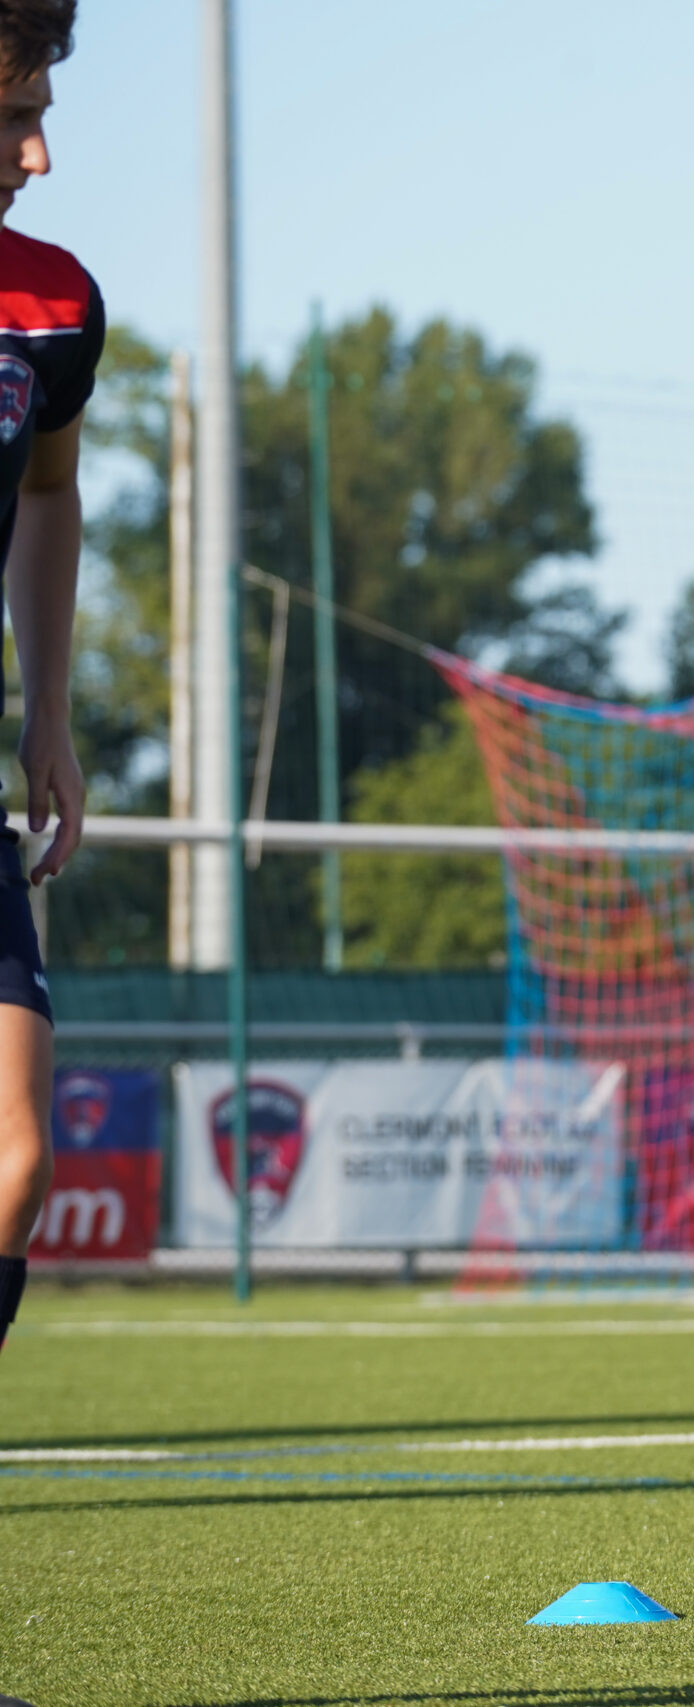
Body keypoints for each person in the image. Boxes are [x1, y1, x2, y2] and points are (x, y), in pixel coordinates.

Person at [0, 0, 93, 1355]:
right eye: (14, 120)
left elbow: (52, 497)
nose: (38, 154)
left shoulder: (53, 303)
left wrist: (50, 722)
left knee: (16, 1157)